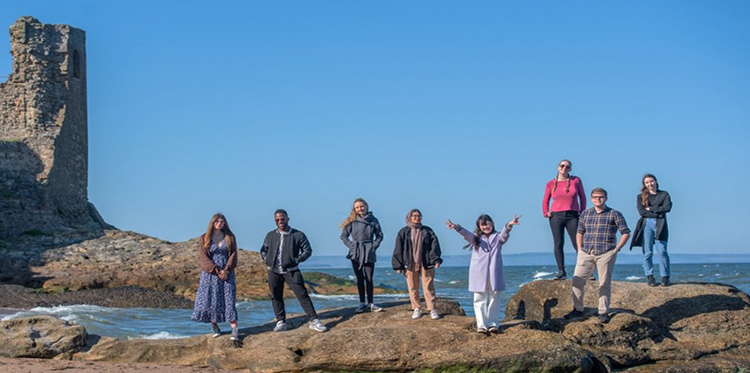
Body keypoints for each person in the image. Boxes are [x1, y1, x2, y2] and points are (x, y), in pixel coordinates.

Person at [446, 214, 521, 334]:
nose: (485, 227)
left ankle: (492, 323)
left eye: (487, 224)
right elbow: (466, 234)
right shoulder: (476, 238)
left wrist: (509, 225)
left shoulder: (498, 237)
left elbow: (504, 235)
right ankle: (481, 325)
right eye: (483, 225)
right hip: (478, 272)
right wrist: (457, 227)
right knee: (479, 298)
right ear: (479, 226)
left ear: (492, 224)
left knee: (495, 297)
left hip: (494, 272)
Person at [565, 188, 630, 324]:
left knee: (604, 283)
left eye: (600, 197)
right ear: (591, 199)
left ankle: (603, 312)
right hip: (586, 252)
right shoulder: (586, 214)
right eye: (595, 197)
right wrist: (580, 248)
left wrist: (617, 249)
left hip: (606, 252)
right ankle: (578, 309)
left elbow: (625, 232)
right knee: (577, 281)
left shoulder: (614, 214)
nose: (597, 199)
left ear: (605, 198)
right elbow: (580, 232)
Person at [260, 209, 328, 332]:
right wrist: (266, 259)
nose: (280, 221)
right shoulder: (270, 235)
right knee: (276, 295)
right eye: (277, 220)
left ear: (287, 219)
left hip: (291, 270)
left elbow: (307, 250)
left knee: (302, 294)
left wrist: (297, 259)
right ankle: (280, 321)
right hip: (273, 270)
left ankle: (314, 320)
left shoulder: (298, 235)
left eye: (282, 219)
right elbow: (263, 249)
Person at [191, 213, 240, 341]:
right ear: (212, 223)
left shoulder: (230, 237)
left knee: (229, 299)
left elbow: (233, 254)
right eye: (217, 221)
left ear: (224, 223)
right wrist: (216, 270)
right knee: (211, 299)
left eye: (221, 222)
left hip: (227, 273)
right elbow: (203, 257)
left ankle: (234, 329)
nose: (219, 223)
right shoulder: (204, 238)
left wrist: (226, 270)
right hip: (210, 274)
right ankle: (215, 327)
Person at [392, 209, 443, 320]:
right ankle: (416, 308)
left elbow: (434, 246)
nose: (417, 218)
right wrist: (398, 265)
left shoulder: (427, 231)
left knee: (429, 286)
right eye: (414, 216)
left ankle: (432, 309)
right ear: (409, 217)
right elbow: (398, 248)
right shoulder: (403, 232)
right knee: (412, 286)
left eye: (419, 216)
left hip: (426, 262)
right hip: (409, 263)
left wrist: (436, 260)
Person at [542, 159, 587, 280]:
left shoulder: (575, 181)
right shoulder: (551, 183)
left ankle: (586, 271)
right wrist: (546, 212)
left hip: (572, 215)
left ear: (570, 169)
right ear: (558, 167)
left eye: (567, 167)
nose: (564, 168)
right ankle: (561, 271)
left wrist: (582, 212)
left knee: (578, 243)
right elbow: (546, 199)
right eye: (562, 166)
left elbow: (582, 197)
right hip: (556, 216)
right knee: (558, 243)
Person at [340, 198, 384, 313]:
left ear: (366, 206)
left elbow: (380, 236)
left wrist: (373, 246)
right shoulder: (352, 220)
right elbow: (343, 236)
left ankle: (371, 304)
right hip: (356, 252)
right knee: (360, 279)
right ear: (355, 209)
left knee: (369, 278)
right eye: (357, 207)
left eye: (362, 206)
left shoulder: (374, 220)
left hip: (369, 251)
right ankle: (361, 303)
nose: (360, 209)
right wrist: (352, 246)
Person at [630, 174, 673, 287]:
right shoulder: (641, 197)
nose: (650, 184)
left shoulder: (664, 194)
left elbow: (667, 208)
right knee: (648, 252)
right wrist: (658, 211)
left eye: (651, 181)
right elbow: (642, 212)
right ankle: (650, 276)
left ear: (656, 181)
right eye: (647, 182)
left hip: (661, 223)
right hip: (646, 224)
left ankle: (665, 277)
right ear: (644, 184)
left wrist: (652, 209)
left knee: (662, 251)